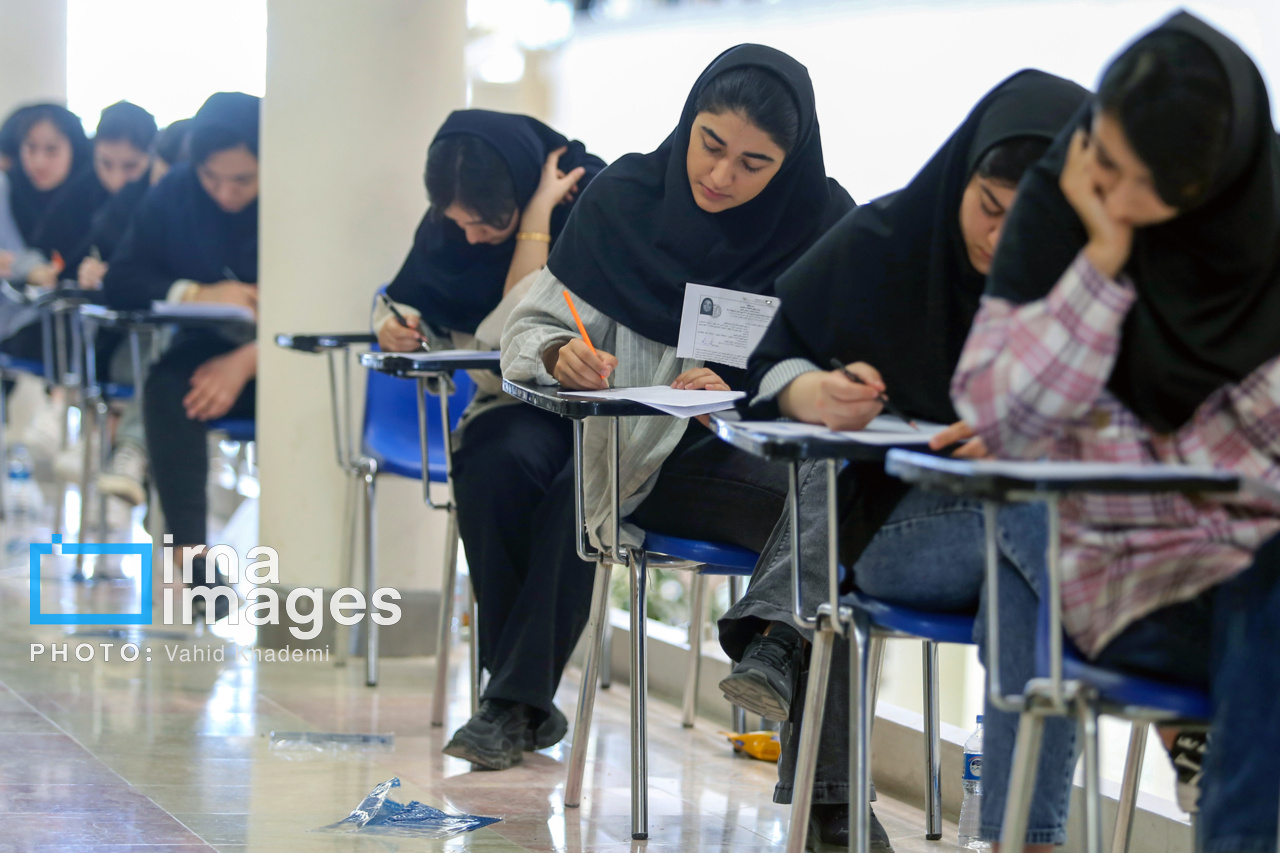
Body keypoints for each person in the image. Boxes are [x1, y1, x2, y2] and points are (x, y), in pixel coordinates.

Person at [714, 70, 1088, 851]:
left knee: (1027, 579)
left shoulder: (1085, 279)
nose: (999, 239)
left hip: (1024, 539)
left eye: (1028, 222)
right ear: (963, 175)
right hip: (890, 531)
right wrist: (814, 392)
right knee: (1044, 532)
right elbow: (769, 364)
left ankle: (1022, 838)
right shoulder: (888, 240)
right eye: (988, 208)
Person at [952, 13, 1280, 851]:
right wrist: (1098, 267)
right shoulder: (1059, 212)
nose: (1104, 188)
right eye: (1101, 152)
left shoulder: (1265, 234)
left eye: (1141, 184)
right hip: (1129, 568)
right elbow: (999, 415)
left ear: (1207, 186)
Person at [500, 44, 853, 777]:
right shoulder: (624, 200)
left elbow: (846, 366)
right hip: (650, 461)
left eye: (753, 164)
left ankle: (778, 651)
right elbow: (528, 326)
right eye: (710, 144)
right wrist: (561, 351)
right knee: (837, 543)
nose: (721, 176)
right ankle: (829, 797)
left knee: (845, 518)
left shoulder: (825, 226)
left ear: (790, 164)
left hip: (764, 455)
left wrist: (753, 384)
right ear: (688, 120)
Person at [374, 109, 606, 758]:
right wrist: (392, 324)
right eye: (459, 224)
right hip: (511, 405)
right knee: (491, 461)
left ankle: (508, 703)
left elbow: (510, 332)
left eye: (486, 224)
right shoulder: (449, 226)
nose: (471, 238)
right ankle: (520, 703)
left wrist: (534, 221)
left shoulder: (596, 203)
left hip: (601, 408)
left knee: (579, 492)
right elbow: (404, 300)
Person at [102, 92, 261, 620]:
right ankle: (193, 559)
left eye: (242, 180)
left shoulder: (297, 197)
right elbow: (123, 279)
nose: (225, 192)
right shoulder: (177, 190)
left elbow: (330, 303)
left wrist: (249, 360)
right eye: (213, 177)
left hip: (289, 359)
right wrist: (196, 292)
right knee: (168, 387)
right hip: (209, 349)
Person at [92, 118, 193, 517]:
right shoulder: (136, 207)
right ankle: (132, 452)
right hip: (131, 352)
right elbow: (119, 280)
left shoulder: (215, 222)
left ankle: (133, 453)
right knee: (162, 356)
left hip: (195, 361)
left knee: (174, 362)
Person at [38, 100, 157, 277]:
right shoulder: (83, 186)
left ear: (153, 158)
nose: (116, 180)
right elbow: (43, 247)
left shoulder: (161, 193)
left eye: (130, 166)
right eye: (106, 163)